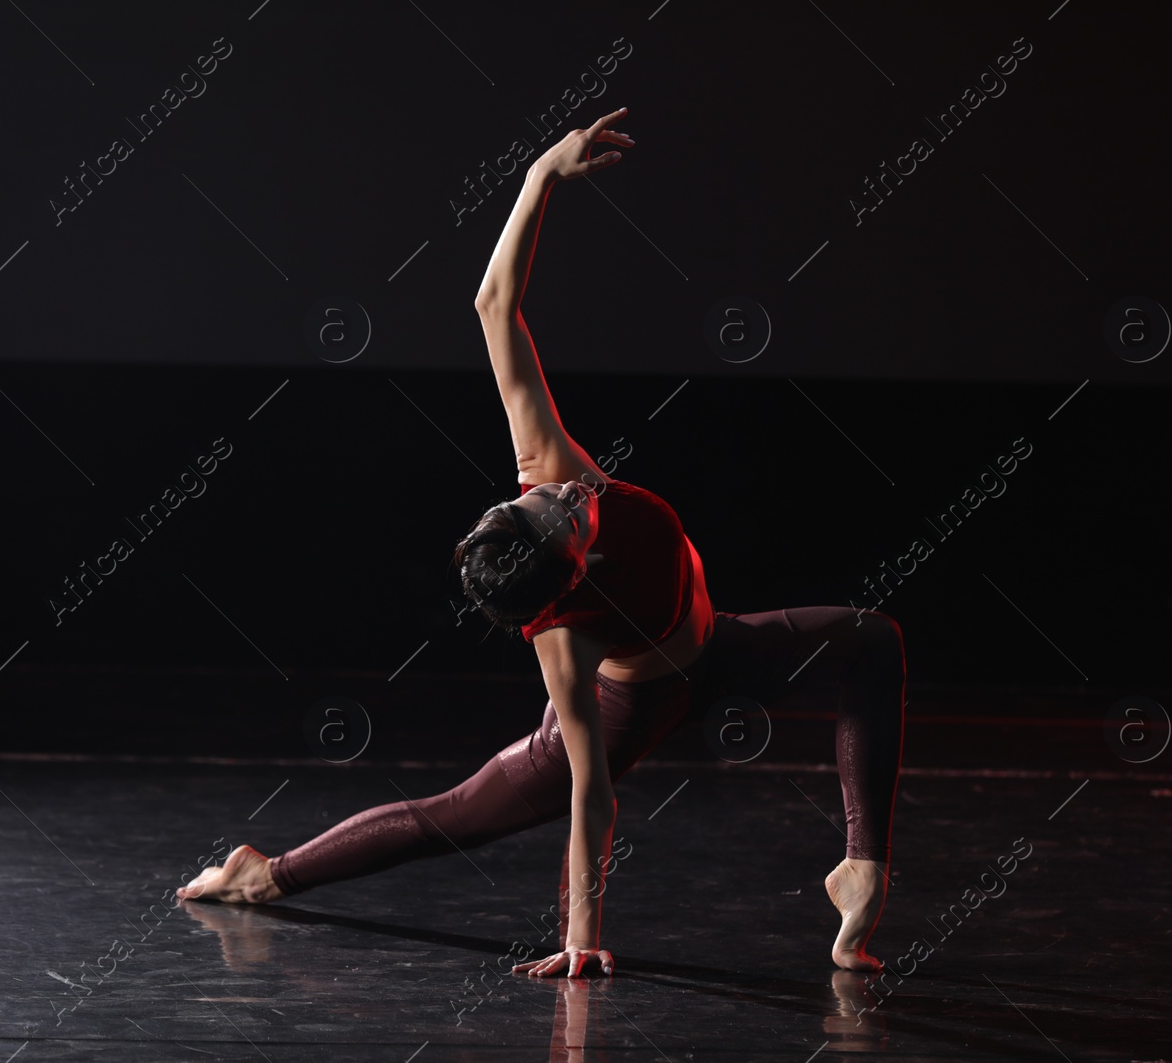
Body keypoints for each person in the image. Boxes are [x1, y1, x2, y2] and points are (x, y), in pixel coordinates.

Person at [176, 108, 906, 975]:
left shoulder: (544, 464)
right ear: (569, 574)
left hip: (716, 648)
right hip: (633, 711)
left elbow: (493, 304)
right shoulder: (567, 638)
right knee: (451, 815)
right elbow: (592, 796)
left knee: (872, 637)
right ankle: (266, 875)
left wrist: (541, 176)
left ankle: (859, 867)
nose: (567, 494)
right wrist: (582, 939)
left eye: (545, 502)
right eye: (567, 515)